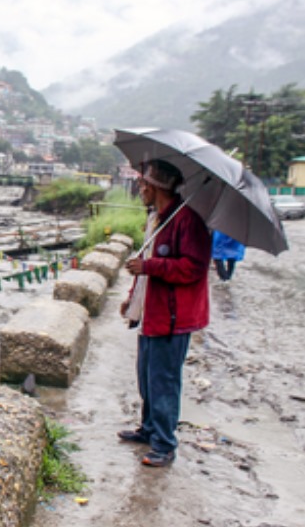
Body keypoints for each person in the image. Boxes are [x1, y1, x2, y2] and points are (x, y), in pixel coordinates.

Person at [119, 159, 211, 468]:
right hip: (152, 312)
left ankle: (164, 444)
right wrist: (133, 299)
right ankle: (148, 430)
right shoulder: (158, 218)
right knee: (146, 378)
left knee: (164, 382)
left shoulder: (187, 220)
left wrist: (150, 267)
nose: (139, 190)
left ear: (154, 186)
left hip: (173, 317)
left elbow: (194, 268)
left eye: (142, 185)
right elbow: (144, 264)